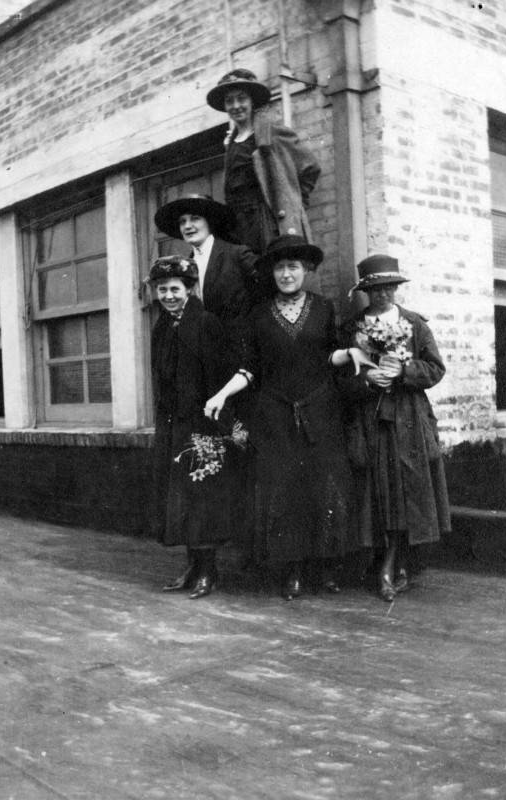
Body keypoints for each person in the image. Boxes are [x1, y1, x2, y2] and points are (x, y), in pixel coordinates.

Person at [204, 235, 355, 600]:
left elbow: (329, 356)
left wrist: (351, 353)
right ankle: (293, 571)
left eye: (293, 267)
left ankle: (325, 568)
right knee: (284, 490)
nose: (286, 274)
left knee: (322, 487)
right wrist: (221, 394)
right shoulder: (258, 315)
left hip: (320, 411)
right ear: (271, 273)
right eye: (280, 268)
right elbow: (250, 368)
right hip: (274, 415)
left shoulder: (324, 309)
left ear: (306, 270)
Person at [336, 254, 451, 602]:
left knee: (405, 489)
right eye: (375, 289)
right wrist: (367, 381)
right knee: (377, 491)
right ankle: (387, 562)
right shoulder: (352, 328)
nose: (383, 294)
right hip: (370, 420)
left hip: (408, 419)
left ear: (397, 288)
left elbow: (435, 369)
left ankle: (396, 563)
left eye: (389, 287)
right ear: (365, 292)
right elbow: (339, 380)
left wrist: (403, 371)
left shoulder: (414, 324)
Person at [147, 255, 237, 600]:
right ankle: (192, 567)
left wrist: (215, 424)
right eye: (162, 290)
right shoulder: (162, 327)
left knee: (202, 498)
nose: (168, 296)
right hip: (173, 425)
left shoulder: (206, 323)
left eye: (174, 289)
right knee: (181, 499)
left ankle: (208, 571)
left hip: (202, 424)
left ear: (189, 289)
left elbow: (218, 377)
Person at [206, 68, 321, 254]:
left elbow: (310, 168)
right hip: (239, 225)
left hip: (267, 221)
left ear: (252, 101)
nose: (236, 106)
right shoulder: (231, 144)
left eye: (241, 99)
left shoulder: (272, 133)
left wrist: (293, 203)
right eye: (229, 101)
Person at [153, 194, 260, 332]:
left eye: (195, 219)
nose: (187, 226)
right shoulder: (183, 268)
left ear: (210, 221)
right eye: (182, 222)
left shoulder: (236, 254)